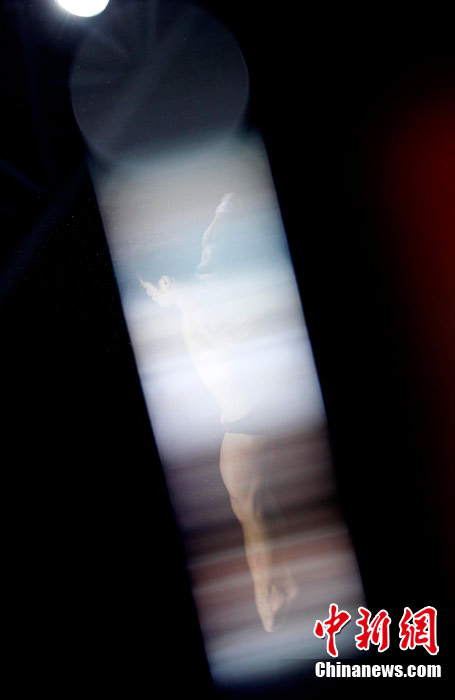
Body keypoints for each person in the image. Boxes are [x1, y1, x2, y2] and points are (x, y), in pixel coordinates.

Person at [139, 194, 298, 632]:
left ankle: (267, 598)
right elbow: (211, 241)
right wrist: (223, 210)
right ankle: (283, 582)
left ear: (164, 282)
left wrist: (234, 335)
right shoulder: (202, 276)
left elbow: (226, 335)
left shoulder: (192, 307)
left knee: (250, 509)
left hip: (245, 421)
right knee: (253, 502)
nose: (154, 296)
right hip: (249, 415)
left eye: (153, 290)